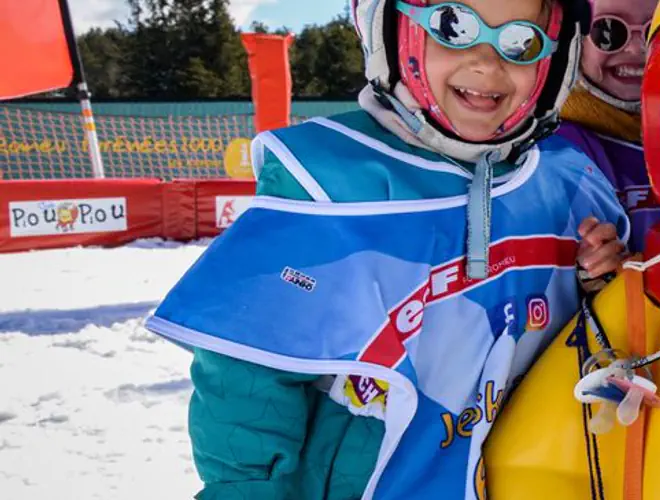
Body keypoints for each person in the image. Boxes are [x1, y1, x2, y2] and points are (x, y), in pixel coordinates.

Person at [143, 0, 629, 497]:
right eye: (452, 26)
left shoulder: (570, 183)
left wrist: (597, 285)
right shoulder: (329, 184)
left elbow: (591, 348)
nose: (488, 62)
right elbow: (247, 381)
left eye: (521, 41)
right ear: (391, 31)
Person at [557, 0, 660, 257]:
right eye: (609, 31)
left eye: (655, 30)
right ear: (573, 38)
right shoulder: (555, 150)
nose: (638, 48)